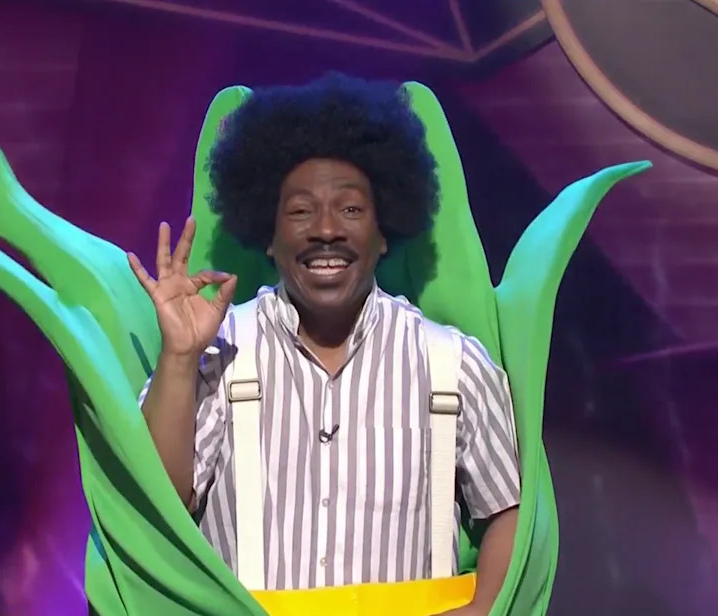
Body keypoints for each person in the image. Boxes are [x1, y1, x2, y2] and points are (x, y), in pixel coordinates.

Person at [127, 73, 520, 616]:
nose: (326, 230)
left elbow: (508, 509)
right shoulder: (216, 354)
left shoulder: (454, 365)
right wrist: (178, 357)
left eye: (351, 209)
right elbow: (157, 509)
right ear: (268, 236)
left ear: (384, 233)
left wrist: (483, 610)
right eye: (300, 211)